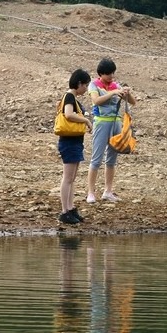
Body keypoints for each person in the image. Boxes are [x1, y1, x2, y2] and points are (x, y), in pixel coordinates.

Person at [86, 57, 136, 203]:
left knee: (112, 159)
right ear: (101, 73)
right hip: (101, 123)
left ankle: (108, 191)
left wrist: (127, 93)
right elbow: (96, 101)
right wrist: (113, 93)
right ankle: (91, 192)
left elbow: (133, 102)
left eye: (113, 74)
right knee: (96, 158)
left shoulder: (115, 85)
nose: (111, 77)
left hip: (116, 123)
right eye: (109, 74)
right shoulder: (94, 85)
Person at [58, 68, 93, 224]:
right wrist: (85, 120)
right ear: (79, 83)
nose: (85, 89)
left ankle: (70, 208)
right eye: (85, 86)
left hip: (75, 142)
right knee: (68, 178)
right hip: (69, 141)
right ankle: (65, 211)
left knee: (71, 178)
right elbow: (68, 114)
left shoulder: (72, 97)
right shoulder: (70, 96)